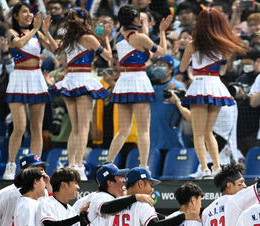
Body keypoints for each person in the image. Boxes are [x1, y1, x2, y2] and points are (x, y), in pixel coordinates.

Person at [178, 8, 248, 178]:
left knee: (198, 133)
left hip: (200, 85)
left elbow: (181, 68)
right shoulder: (222, 44)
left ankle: (204, 168)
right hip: (216, 86)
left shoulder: (192, 44)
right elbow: (222, 71)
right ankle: (216, 166)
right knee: (209, 131)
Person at [50, 8, 113, 180]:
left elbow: (55, 51)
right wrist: (106, 38)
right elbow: (108, 57)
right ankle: (78, 165)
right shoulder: (89, 38)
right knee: (83, 127)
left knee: (75, 127)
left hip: (70, 80)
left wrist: (44, 32)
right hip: (83, 79)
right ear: (86, 21)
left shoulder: (68, 40)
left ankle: (72, 164)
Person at [106, 5, 171, 169]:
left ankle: (108, 163)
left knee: (123, 130)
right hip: (138, 81)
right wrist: (162, 31)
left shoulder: (118, 37)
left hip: (123, 82)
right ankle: (143, 166)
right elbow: (162, 52)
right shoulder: (140, 37)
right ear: (134, 19)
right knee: (143, 130)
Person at [2, 2, 58, 180]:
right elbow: (17, 44)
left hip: (35, 78)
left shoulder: (37, 32)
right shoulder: (12, 32)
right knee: (19, 127)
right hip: (19, 78)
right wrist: (34, 30)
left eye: (30, 12)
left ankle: (36, 167)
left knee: (36, 128)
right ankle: (11, 165)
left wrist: (46, 31)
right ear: (16, 16)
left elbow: (55, 49)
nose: (28, 15)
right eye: (24, 12)